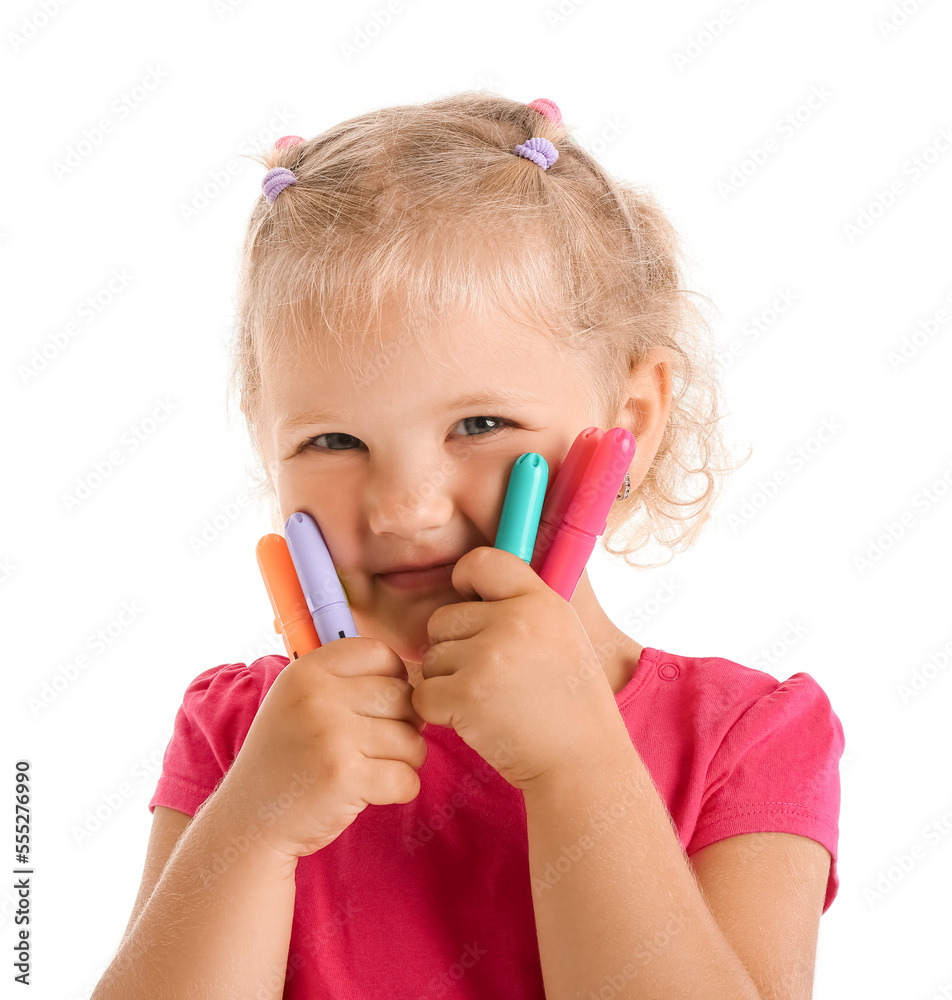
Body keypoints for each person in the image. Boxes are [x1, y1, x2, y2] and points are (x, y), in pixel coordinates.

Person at [92, 92, 845, 1000]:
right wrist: (252, 827)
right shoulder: (240, 741)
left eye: (479, 423)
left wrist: (577, 760)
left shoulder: (743, 741)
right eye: (331, 442)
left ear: (630, 425)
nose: (405, 508)